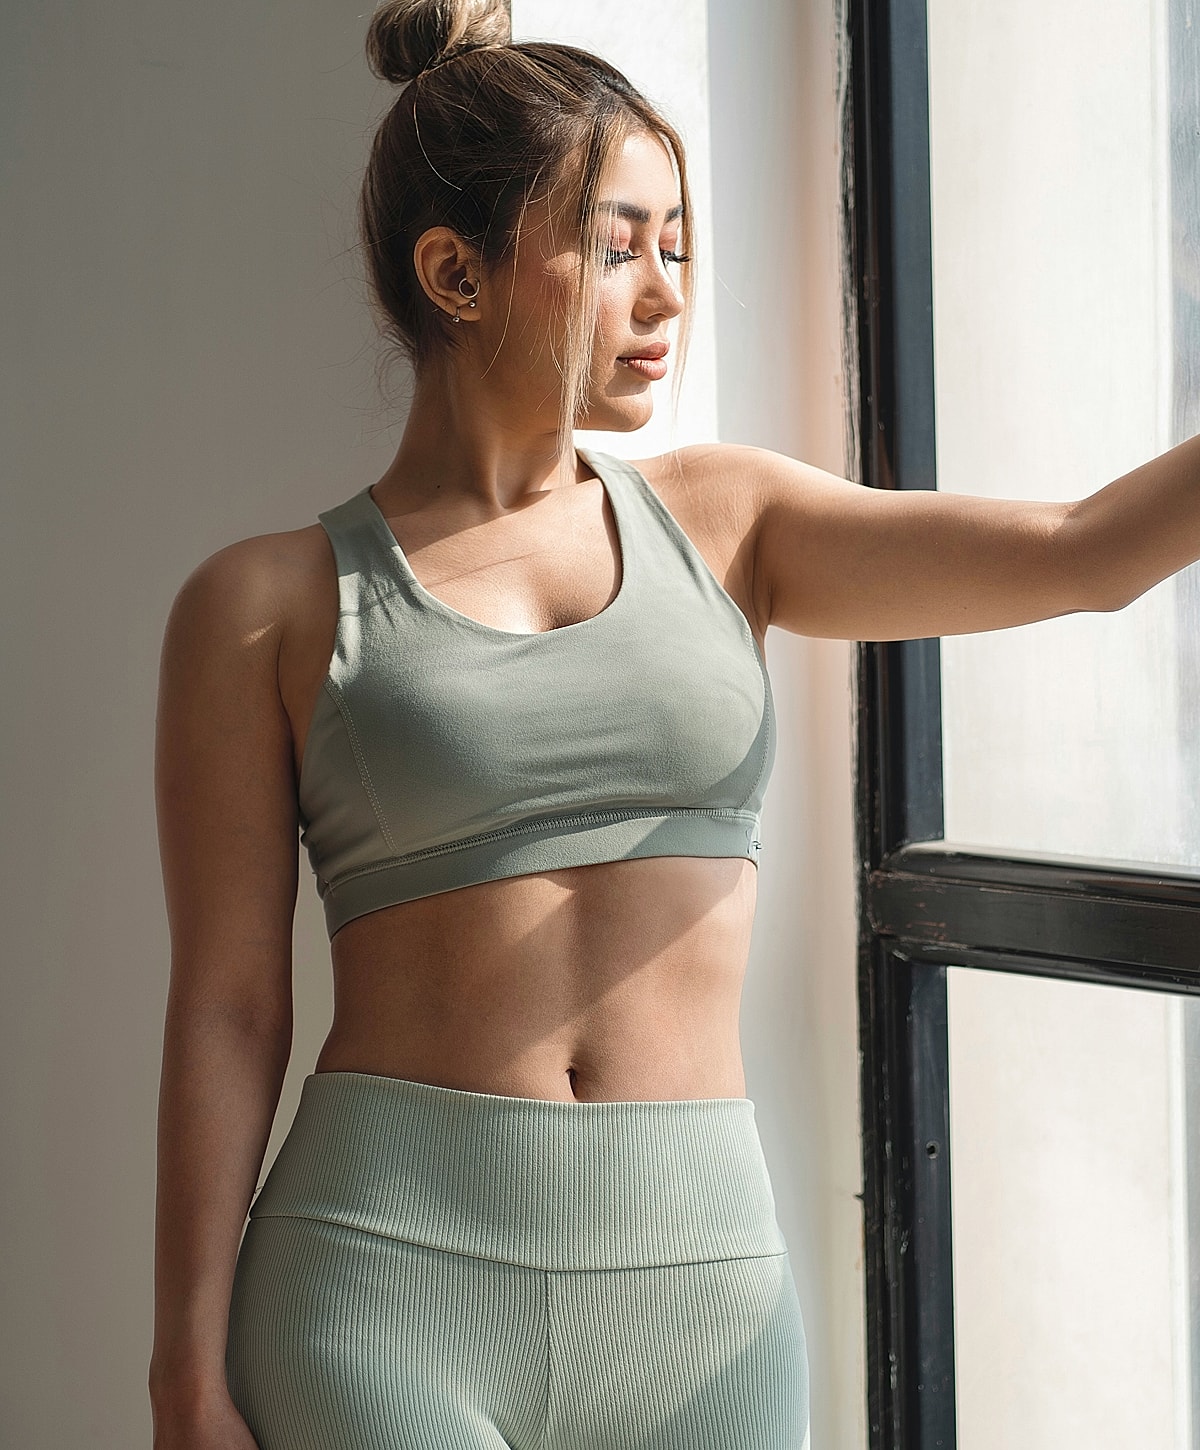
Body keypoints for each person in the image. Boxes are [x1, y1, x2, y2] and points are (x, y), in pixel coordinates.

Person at [146, 3, 1200, 1448]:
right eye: (619, 244)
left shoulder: (731, 523)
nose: (665, 293)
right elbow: (227, 1003)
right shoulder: (263, 603)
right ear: (455, 273)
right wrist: (182, 1369)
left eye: (681, 246)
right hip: (380, 1275)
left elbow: (1084, 553)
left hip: (702, 1299)